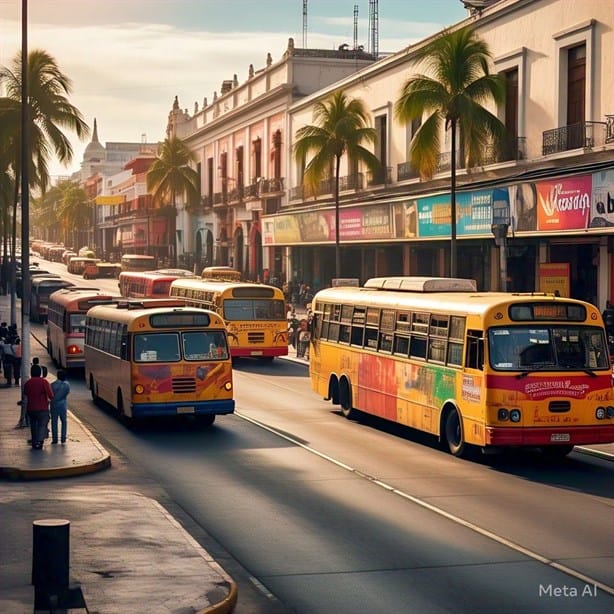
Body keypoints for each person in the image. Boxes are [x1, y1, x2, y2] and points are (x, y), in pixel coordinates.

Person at [23, 364, 54, 450]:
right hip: (42, 408)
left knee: (33, 425)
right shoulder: (44, 382)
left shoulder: (28, 383)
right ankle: (39, 441)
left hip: (31, 408)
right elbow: (51, 395)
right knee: (42, 424)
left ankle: (34, 441)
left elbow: (25, 393)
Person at [50, 370, 70, 444]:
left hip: (53, 404)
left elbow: (50, 395)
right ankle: (63, 438)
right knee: (64, 421)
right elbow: (67, 393)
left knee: (54, 422)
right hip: (62, 405)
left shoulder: (52, 385)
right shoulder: (67, 385)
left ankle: (54, 439)